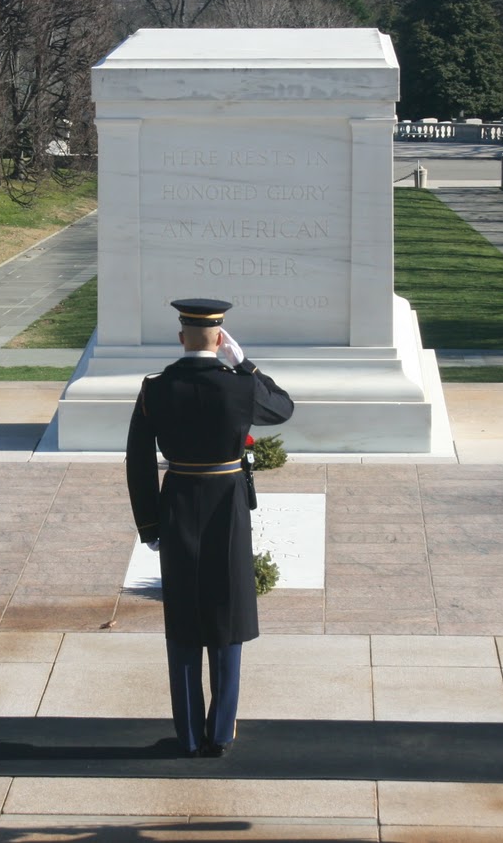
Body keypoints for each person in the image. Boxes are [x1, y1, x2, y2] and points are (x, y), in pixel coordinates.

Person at [126, 297, 294, 757]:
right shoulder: (238, 387)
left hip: (178, 500)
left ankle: (187, 735)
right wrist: (248, 367)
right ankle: (220, 732)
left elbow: (138, 461)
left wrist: (149, 523)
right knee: (227, 613)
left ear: (182, 338)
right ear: (220, 340)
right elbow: (283, 409)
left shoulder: (155, 388)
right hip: (228, 508)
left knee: (183, 622)